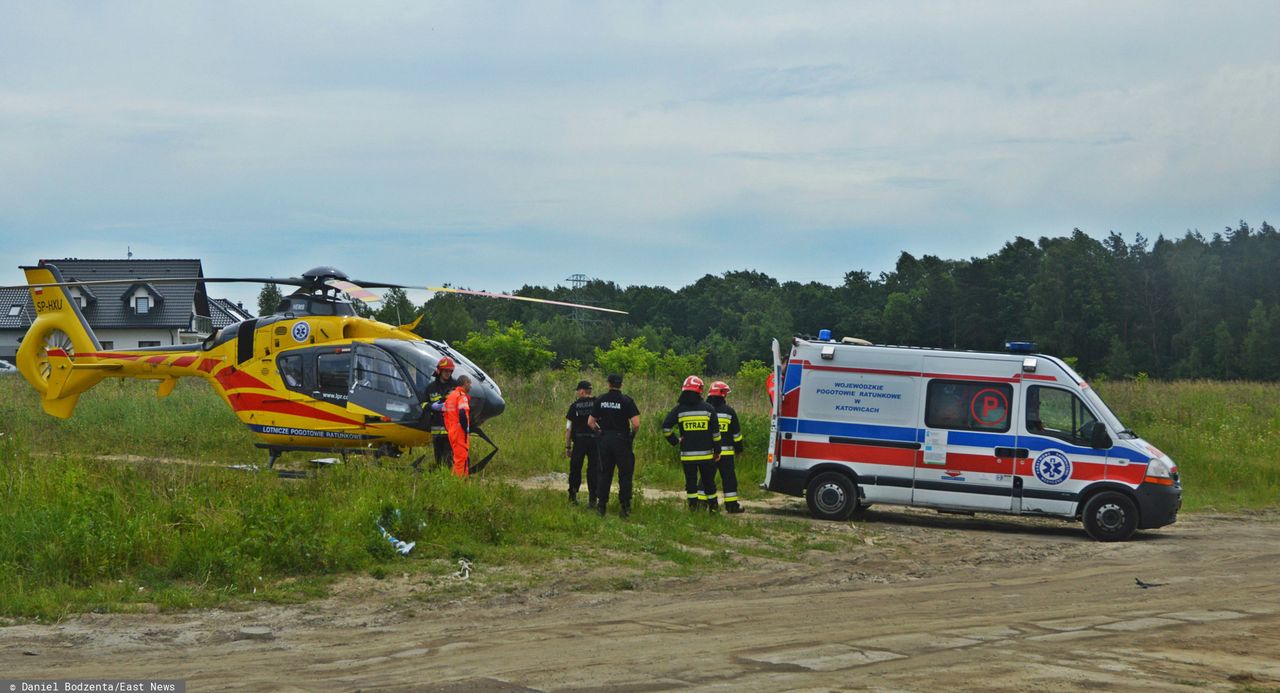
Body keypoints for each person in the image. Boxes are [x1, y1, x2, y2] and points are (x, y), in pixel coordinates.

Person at [662, 375, 721, 513]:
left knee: (691, 483)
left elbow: (666, 428)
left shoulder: (679, 409)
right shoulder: (709, 408)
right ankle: (713, 508)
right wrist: (717, 451)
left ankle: (693, 508)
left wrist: (675, 441)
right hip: (706, 455)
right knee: (708, 483)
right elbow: (716, 434)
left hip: (687, 456)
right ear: (700, 390)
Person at [588, 373, 640, 518]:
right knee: (625, 474)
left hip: (605, 440)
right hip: (622, 440)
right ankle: (624, 507)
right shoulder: (627, 401)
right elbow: (636, 424)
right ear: (621, 385)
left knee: (604, 473)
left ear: (609, 384)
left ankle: (601, 506)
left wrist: (599, 433)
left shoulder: (601, 399)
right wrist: (631, 436)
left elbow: (590, 422)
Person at [706, 380, 745, 514]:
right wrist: (739, 450)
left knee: (706, 478)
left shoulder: (704, 411)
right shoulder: (729, 412)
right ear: (722, 394)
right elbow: (737, 435)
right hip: (727, 454)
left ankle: (700, 504)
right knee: (729, 480)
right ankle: (732, 506)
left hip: (708, 453)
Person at [564, 379, 600, 507]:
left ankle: (573, 496)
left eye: (578, 391)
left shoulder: (574, 406)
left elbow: (568, 428)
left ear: (582, 391)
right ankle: (592, 499)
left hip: (579, 442)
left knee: (575, 469)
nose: (577, 393)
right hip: (594, 442)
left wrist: (568, 446)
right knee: (594, 469)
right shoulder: (597, 404)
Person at [424, 357, 457, 469]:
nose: (448, 373)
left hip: (451, 428)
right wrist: (432, 406)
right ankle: (439, 473)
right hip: (436, 427)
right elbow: (423, 404)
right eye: (445, 371)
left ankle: (450, 476)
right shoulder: (431, 388)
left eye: (450, 371)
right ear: (439, 371)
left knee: (449, 457)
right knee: (438, 456)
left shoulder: (455, 386)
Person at [443, 375, 473, 477]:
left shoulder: (450, 396)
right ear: (465, 383)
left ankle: (456, 481)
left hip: (452, 430)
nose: (470, 386)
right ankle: (460, 483)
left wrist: (450, 428)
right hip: (460, 431)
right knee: (462, 458)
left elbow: (445, 415)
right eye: (469, 383)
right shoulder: (461, 396)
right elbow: (462, 412)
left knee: (457, 457)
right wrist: (465, 429)